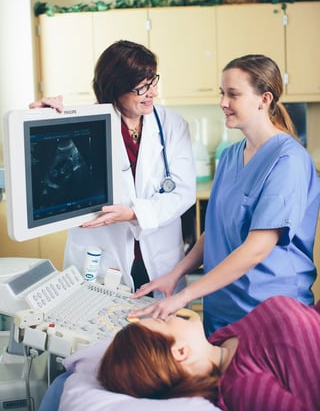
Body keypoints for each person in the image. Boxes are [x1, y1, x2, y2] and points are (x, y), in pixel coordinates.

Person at [130, 54, 320, 333]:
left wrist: (185, 295)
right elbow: (216, 232)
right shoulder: (231, 156)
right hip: (222, 308)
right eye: (222, 93)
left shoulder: (288, 160)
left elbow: (256, 250)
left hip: (270, 313)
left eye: (233, 94)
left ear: (264, 99)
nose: (222, 103)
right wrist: (175, 275)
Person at [30, 40, 196, 297]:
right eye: (142, 87)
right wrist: (43, 122)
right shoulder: (82, 123)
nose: (153, 92)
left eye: (153, 81)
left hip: (159, 260)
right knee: (102, 331)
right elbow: (49, 181)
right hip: (101, 258)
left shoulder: (172, 124)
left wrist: (132, 214)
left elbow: (183, 193)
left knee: (160, 334)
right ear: (115, 88)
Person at [98, 296, 320, 411]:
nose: (171, 315)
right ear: (181, 351)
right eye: (164, 321)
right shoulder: (244, 386)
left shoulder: (219, 342)